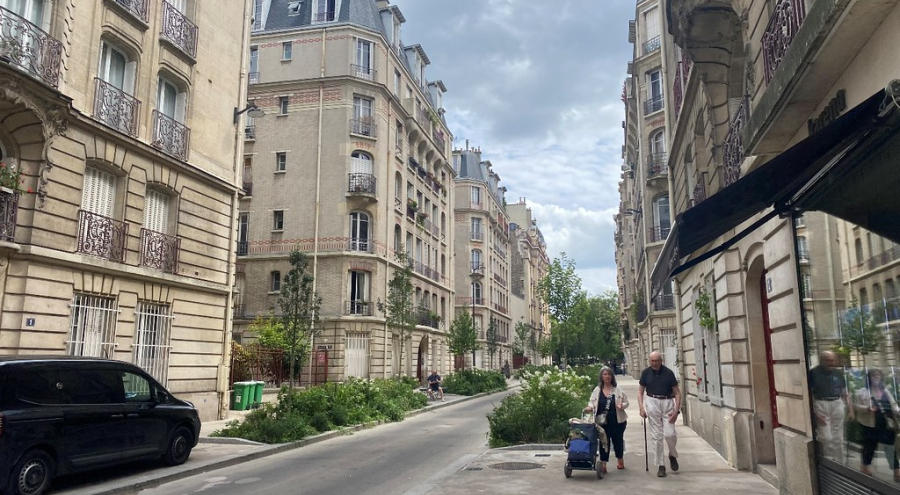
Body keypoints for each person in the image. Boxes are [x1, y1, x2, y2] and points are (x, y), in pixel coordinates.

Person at [638, 351, 681, 478]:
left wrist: (676, 410)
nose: (655, 363)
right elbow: (640, 392)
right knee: (656, 436)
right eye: (652, 361)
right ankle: (661, 465)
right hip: (652, 401)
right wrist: (641, 408)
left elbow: (677, 393)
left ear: (661, 361)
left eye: (657, 361)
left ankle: (672, 454)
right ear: (649, 361)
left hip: (667, 402)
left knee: (670, 434)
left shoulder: (668, 373)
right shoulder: (645, 373)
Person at [852, 368, 900, 480]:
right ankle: (865, 467)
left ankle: (896, 471)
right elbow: (856, 406)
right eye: (874, 375)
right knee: (869, 446)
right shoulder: (862, 392)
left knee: (889, 447)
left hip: (886, 423)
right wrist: (867, 409)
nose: (876, 377)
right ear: (869, 377)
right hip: (869, 425)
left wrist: (898, 411)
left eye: (878, 375)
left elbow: (893, 405)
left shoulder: (885, 391)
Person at [808, 350, 853, 460]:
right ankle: (826, 459)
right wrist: (814, 413)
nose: (831, 363)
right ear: (821, 361)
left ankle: (839, 462)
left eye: (833, 360)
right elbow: (809, 393)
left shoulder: (838, 373)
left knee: (838, 437)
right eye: (828, 360)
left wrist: (851, 409)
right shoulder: (813, 373)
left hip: (837, 403)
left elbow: (844, 392)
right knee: (826, 437)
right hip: (821, 403)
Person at [584, 366, 629, 473]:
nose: (607, 376)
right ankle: (603, 464)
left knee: (618, 441)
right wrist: (590, 407)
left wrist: (622, 405)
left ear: (612, 376)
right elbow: (592, 401)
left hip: (617, 421)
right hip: (602, 422)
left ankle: (620, 460)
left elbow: (626, 402)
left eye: (609, 374)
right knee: (604, 442)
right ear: (601, 377)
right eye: (605, 374)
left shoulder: (617, 389)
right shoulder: (597, 390)